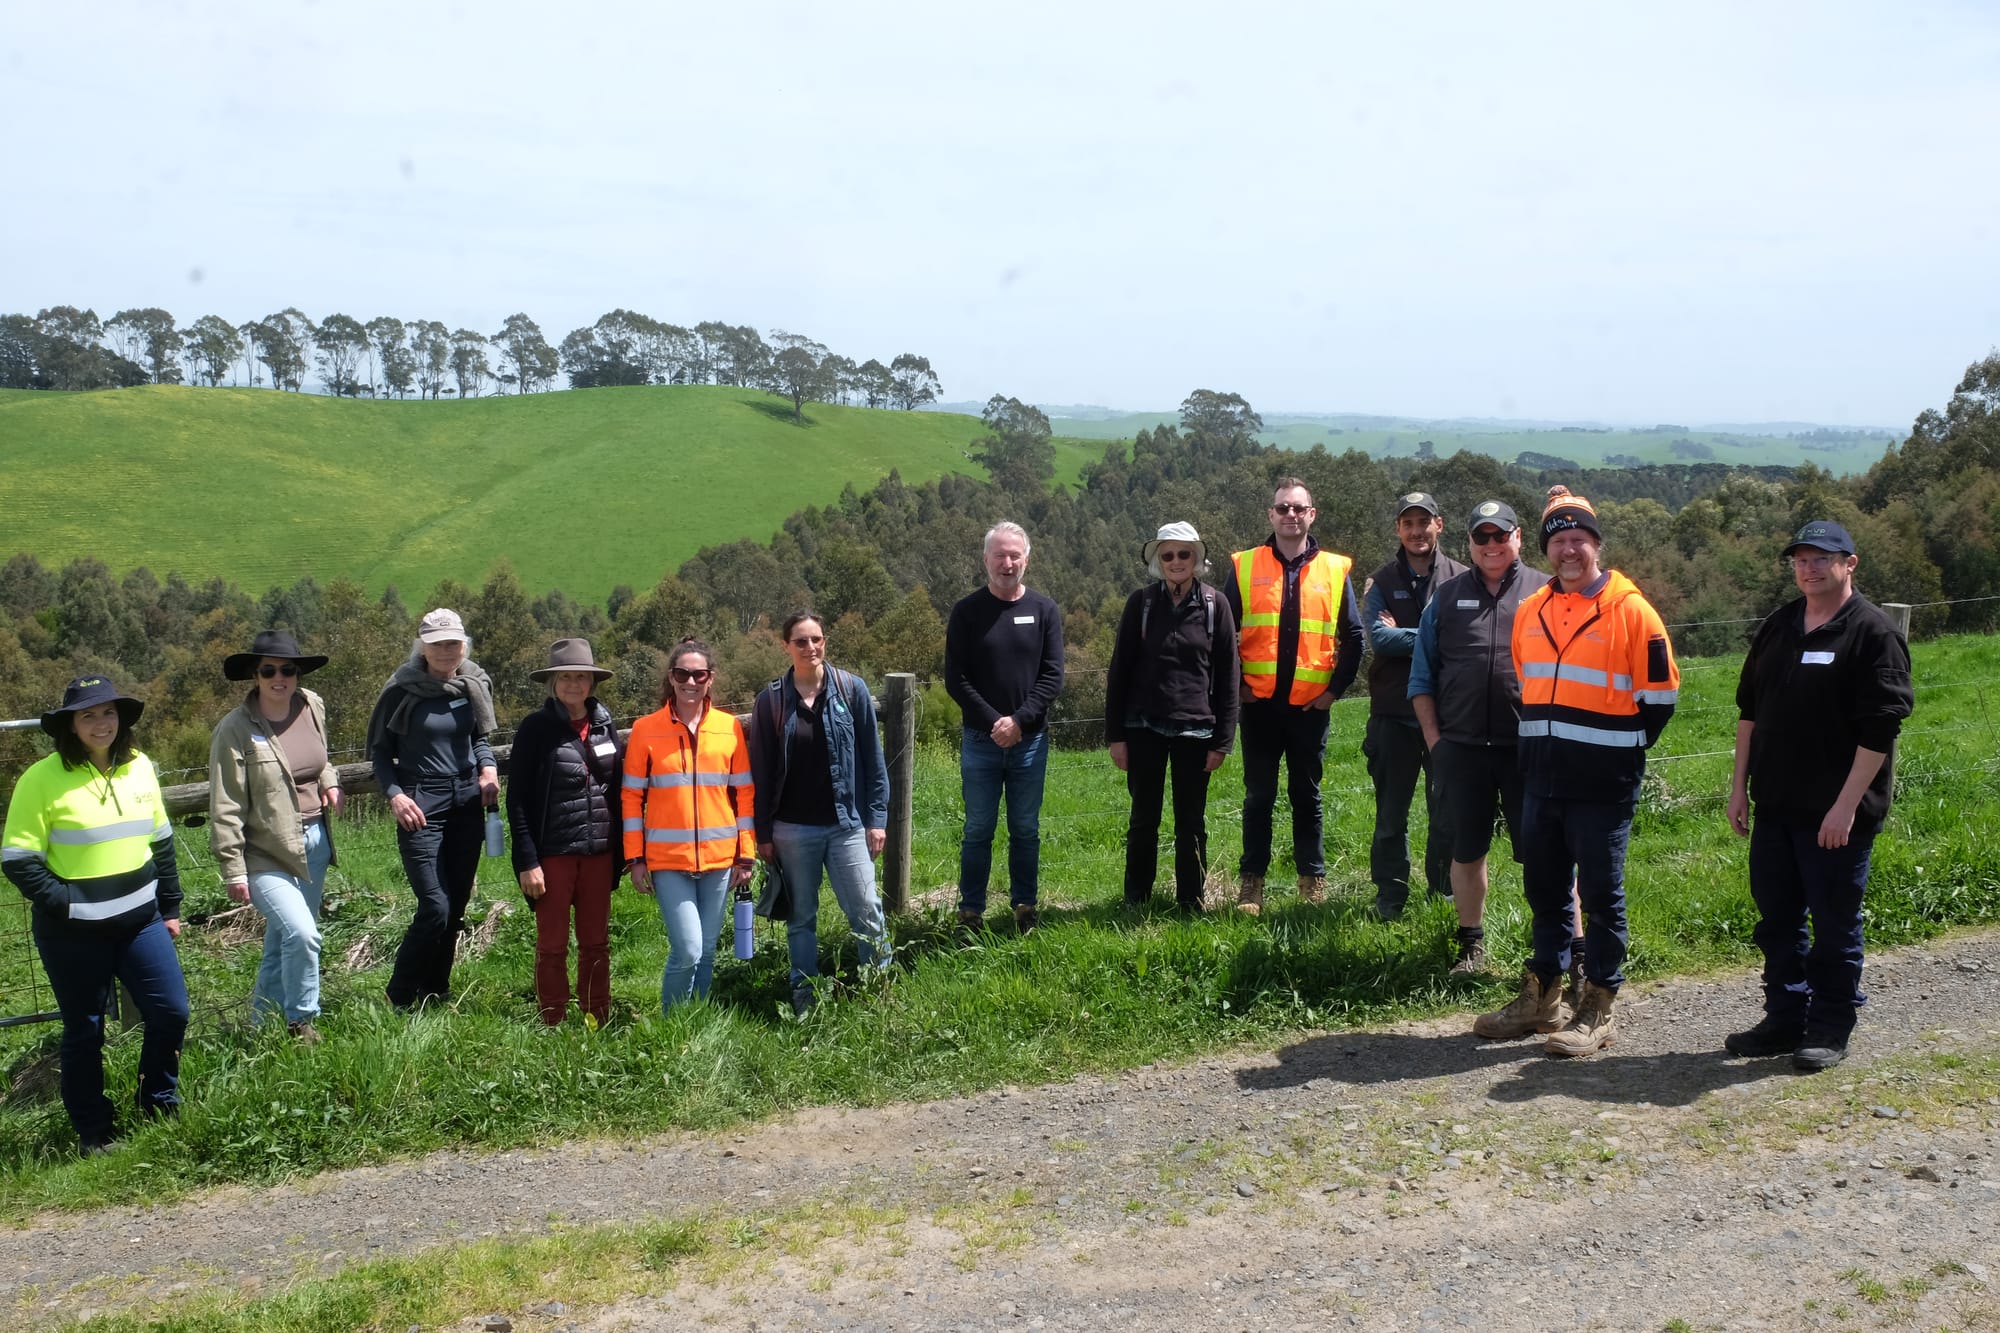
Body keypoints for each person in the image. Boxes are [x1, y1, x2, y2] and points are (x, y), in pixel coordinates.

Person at [1474, 489, 1679, 1056]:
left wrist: (1613, 752)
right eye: (1559, 540)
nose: (1568, 550)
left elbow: (1660, 699)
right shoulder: (1532, 610)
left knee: (1600, 894)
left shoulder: (1632, 611)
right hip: (1540, 777)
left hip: (1602, 784)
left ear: (1596, 545)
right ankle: (1543, 997)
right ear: (1546, 547)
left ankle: (1599, 1005)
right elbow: (1526, 679)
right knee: (1545, 889)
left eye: (1579, 539)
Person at [1725, 520, 1913, 1072]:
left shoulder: (1873, 633)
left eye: (1821, 559)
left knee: (1833, 924)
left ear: (1849, 563)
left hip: (1837, 816)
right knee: (1777, 919)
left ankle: (1830, 1026)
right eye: (1800, 560)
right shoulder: (1779, 625)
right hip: (1776, 806)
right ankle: (1785, 1017)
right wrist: (1739, 787)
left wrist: (1846, 806)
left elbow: (1880, 730)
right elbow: (1749, 711)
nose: (1809, 569)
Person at [2, 676, 188, 1156]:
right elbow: (18, 859)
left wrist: (170, 907)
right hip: (72, 934)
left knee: (171, 1011)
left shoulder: (141, 767)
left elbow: (161, 842)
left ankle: (158, 1105)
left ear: (121, 718)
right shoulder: (40, 779)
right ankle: (94, 1132)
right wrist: (68, 904)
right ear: (71, 724)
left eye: (108, 712)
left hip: (142, 922)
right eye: (88, 715)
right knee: (85, 1029)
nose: (101, 723)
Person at [1409, 501, 1582, 978]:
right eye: (1481, 537)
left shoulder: (1547, 592)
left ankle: (1574, 949)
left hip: (1532, 749)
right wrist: (1437, 743)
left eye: (1499, 536)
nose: (1491, 545)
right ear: (1468, 542)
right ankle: (1471, 946)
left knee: (1549, 853)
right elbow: (1421, 679)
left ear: (1518, 537)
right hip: (1461, 751)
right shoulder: (1445, 597)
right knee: (1466, 851)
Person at [1224, 477, 1365, 914]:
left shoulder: (1334, 569)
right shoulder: (1245, 565)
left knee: (1307, 797)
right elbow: (1221, 636)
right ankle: (1252, 885)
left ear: (1311, 515)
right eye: (1282, 508)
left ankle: (1312, 881)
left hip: (1309, 710)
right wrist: (1239, 689)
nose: (1290, 515)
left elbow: (1355, 635)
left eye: (1297, 508)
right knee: (1258, 797)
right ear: (1271, 514)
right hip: (1260, 708)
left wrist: (1334, 692)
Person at [748, 613, 892, 1015]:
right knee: (801, 919)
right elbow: (760, 769)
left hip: (846, 825)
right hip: (792, 829)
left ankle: (879, 992)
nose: (810, 648)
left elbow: (873, 760)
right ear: (786, 646)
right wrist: (763, 834)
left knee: (867, 909)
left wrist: (876, 819)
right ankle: (805, 997)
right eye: (801, 641)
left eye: (817, 639)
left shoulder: (851, 689)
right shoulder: (771, 700)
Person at [208, 630, 342, 1042]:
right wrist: (233, 869)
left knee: (283, 938)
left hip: (315, 842)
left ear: (298, 673)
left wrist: (330, 780)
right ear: (255, 676)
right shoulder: (235, 729)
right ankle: (301, 1021)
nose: (279, 677)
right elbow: (226, 802)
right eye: (269, 670)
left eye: (287, 669)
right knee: (303, 934)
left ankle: (260, 1026)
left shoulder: (311, 705)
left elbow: (319, 758)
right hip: (264, 852)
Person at [367, 607, 500, 1011]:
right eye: (438, 643)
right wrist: (395, 795)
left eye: (453, 643)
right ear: (422, 647)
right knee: (435, 906)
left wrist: (488, 767)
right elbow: (379, 753)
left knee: (456, 903)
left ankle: (435, 990)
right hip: (421, 805)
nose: (446, 650)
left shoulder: (472, 684)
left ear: (464, 646)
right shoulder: (401, 690)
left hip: (466, 803)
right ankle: (399, 994)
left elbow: (478, 739)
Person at [1103, 522, 1240, 911]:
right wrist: (1116, 736)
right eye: (1167, 555)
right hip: (1142, 726)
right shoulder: (1141, 604)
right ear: (1157, 562)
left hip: (1197, 731)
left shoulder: (1216, 605)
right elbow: (1120, 671)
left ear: (1197, 559)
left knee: (1191, 822)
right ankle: (1136, 900)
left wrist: (1223, 740)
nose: (1176, 561)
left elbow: (1230, 676)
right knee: (1143, 818)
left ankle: (1191, 902)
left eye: (1184, 554)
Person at [944, 521, 1065, 934]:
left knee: (1025, 829)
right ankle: (970, 913)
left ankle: (1025, 908)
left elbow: (1052, 676)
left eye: (1015, 555)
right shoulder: (966, 612)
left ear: (1026, 559)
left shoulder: (1044, 610)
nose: (1007, 562)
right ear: (986, 560)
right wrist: (995, 722)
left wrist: (1019, 721)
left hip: (1030, 741)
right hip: (980, 740)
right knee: (978, 828)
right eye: (1000, 555)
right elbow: (955, 678)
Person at [623, 638, 756, 1010]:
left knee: (709, 950)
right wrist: (636, 858)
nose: (691, 681)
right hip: (667, 862)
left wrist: (745, 855)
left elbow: (743, 794)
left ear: (710, 679)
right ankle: (670, 1023)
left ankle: (694, 1022)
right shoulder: (645, 730)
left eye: (699, 674)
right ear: (671, 677)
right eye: (683, 674)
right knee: (689, 949)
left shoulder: (729, 728)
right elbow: (631, 799)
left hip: (720, 859)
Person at [506, 638, 622, 1026]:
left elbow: (618, 791)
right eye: (566, 676)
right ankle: (552, 1019)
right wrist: (527, 861)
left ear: (592, 682)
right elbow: (517, 799)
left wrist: (623, 853)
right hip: (552, 853)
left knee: (596, 943)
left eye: (581, 677)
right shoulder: (535, 729)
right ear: (553, 683)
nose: (574, 684)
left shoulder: (606, 725)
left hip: (599, 853)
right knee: (552, 945)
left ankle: (596, 1016)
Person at [1362, 492, 1466, 920]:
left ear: (1438, 525)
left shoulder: (1463, 577)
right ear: (1397, 529)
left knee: (1447, 813)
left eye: (1424, 522)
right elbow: (1377, 638)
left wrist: (1406, 632)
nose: (1416, 531)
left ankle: (1441, 894)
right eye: (1408, 523)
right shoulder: (1380, 580)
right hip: (1392, 716)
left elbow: (1464, 639)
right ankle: (1390, 898)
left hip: (1447, 715)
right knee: (1390, 815)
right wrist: (1431, 635)